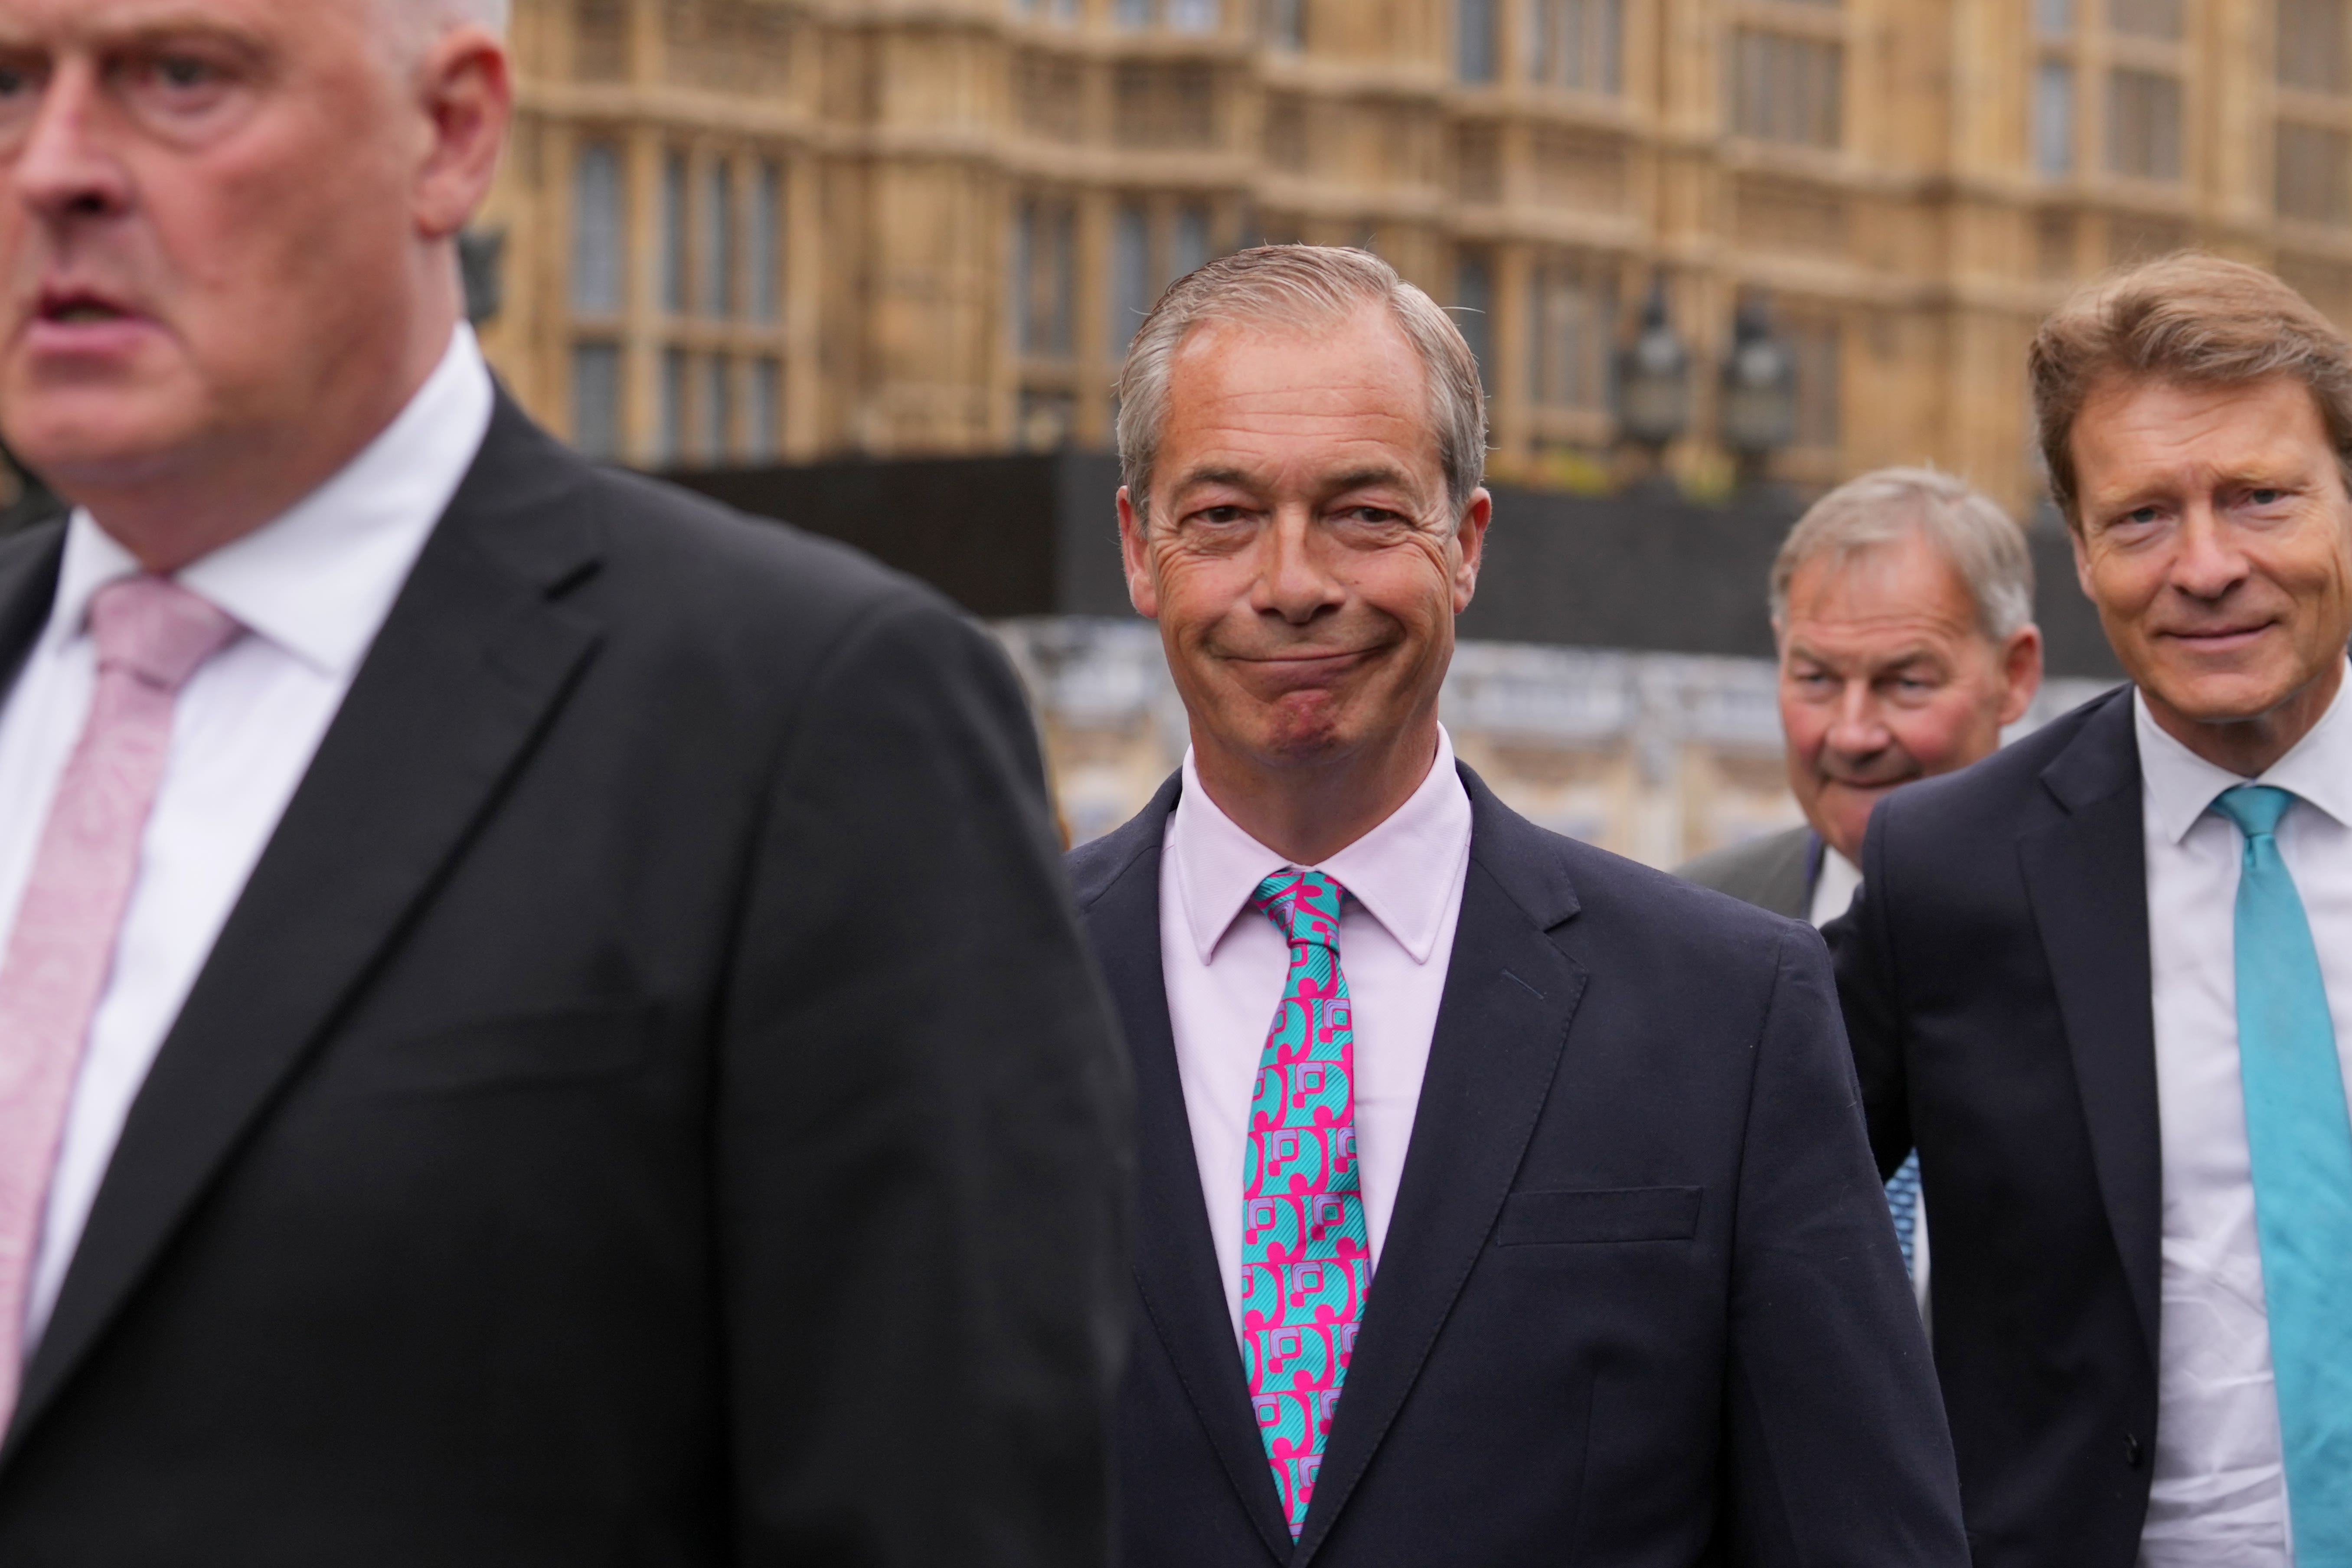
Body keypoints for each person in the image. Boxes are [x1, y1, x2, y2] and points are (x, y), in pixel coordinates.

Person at [0, 0, 1129, 1561]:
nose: (54, 165)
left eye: (178, 78)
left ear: (453, 132)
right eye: (5, 83)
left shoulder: (814, 723)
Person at [1068, 244, 1966, 1567]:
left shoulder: (1732, 1016)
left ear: (1467, 544)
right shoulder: (973, 994)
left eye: (1367, 513)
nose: (1295, 579)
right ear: (1141, 549)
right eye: (1224, 517)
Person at [1833, 252, 2352, 1568]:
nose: (2209, 565)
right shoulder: (1950, 873)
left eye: (2262, 498)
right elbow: (1731, 1211)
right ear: (2079, 549)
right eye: (2142, 517)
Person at [1678, 468, 2044, 1284]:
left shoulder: (2102, 923)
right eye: (1816, 680)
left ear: (2014, 675)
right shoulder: (1687, 928)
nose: (1852, 733)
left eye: (1905, 683)